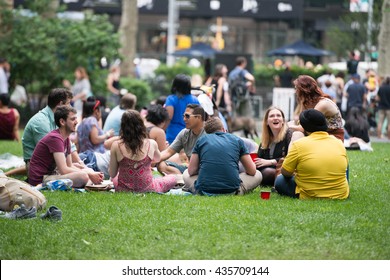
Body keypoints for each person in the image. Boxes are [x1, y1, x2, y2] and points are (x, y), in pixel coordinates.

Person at [274, 109, 349, 199]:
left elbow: (285, 172)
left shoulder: (299, 144)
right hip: (340, 194)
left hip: (310, 194)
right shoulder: (338, 143)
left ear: (304, 127)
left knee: (280, 181)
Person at [28, 105, 103, 187]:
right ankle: (88, 181)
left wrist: (89, 171)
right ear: (62, 122)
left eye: (76, 118)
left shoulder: (66, 139)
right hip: (40, 180)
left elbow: (69, 165)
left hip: (52, 175)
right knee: (83, 176)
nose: (76, 122)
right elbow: (64, 170)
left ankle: (88, 180)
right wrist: (88, 174)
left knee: (88, 171)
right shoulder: (55, 138)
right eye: (72, 119)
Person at [183, 117, 262, 195]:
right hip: (232, 191)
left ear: (207, 133)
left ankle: (200, 188)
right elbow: (252, 171)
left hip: (204, 190)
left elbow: (191, 171)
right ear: (224, 129)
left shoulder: (201, 141)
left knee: (186, 172)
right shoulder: (237, 140)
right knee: (257, 174)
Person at [109, 110, 178, 193]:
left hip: (123, 189)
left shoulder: (116, 145)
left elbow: (112, 173)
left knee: (115, 177)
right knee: (172, 178)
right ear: (141, 125)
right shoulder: (151, 143)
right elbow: (157, 159)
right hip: (148, 188)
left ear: (122, 126)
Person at [22, 88, 73, 172]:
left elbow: (69, 147)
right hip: (39, 167)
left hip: (54, 161)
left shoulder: (59, 119)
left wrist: (77, 163)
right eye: (68, 104)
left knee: (80, 169)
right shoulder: (40, 122)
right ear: (61, 104)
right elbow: (48, 152)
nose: (70, 107)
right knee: (81, 176)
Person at [290, 75, 344, 141]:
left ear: (304, 91)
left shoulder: (322, 104)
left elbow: (304, 127)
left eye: (297, 89)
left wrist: (285, 127)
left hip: (333, 138)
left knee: (297, 134)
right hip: (319, 136)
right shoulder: (307, 102)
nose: (295, 92)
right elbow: (300, 122)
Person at [157, 104, 206, 176]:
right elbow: (168, 152)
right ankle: (182, 180)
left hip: (205, 171)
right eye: (183, 116)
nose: (184, 119)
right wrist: (150, 161)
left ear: (198, 117)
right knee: (161, 165)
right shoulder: (184, 133)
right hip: (190, 170)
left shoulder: (209, 133)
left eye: (187, 116)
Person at [254, 107, 292, 186]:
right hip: (267, 170)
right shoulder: (266, 138)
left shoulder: (289, 135)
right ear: (267, 122)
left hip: (284, 170)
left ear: (283, 121)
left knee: (267, 172)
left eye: (278, 115)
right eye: (272, 116)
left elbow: (290, 157)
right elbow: (260, 159)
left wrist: (270, 162)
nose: (275, 118)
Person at [164, 74, 200, 144]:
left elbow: (169, 116)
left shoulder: (171, 99)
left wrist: (163, 130)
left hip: (173, 135)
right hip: (190, 134)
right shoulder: (195, 100)